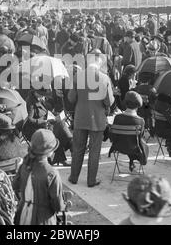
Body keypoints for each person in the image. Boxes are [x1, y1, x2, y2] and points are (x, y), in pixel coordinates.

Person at [67, 53, 114, 187]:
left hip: (80, 117)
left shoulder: (77, 76)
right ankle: (91, 180)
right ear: (99, 64)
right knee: (94, 150)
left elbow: (71, 98)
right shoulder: (104, 78)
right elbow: (109, 101)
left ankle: (74, 177)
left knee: (78, 148)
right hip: (97, 119)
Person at [13, 129, 66, 225]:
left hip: (21, 216)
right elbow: (58, 206)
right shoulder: (52, 173)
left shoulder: (24, 165)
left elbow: (15, 187)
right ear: (50, 151)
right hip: (43, 219)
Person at [108, 91, 148, 172]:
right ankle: (134, 161)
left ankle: (131, 161)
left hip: (118, 147)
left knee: (128, 140)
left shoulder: (117, 118)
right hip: (134, 148)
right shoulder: (140, 121)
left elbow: (113, 136)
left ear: (125, 104)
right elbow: (141, 137)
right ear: (137, 106)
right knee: (138, 142)